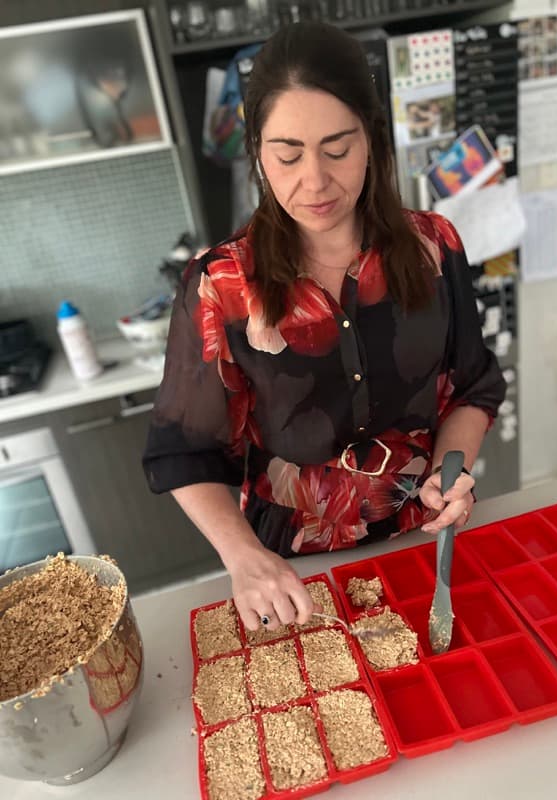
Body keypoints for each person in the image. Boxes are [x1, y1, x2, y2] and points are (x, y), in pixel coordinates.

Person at [143, 22, 506, 634]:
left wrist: (450, 473)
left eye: (338, 150)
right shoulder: (223, 285)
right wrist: (243, 558)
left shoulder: (433, 248)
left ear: (373, 141)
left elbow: (472, 388)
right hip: (289, 575)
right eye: (287, 154)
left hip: (419, 547)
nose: (313, 181)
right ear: (258, 152)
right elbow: (185, 452)